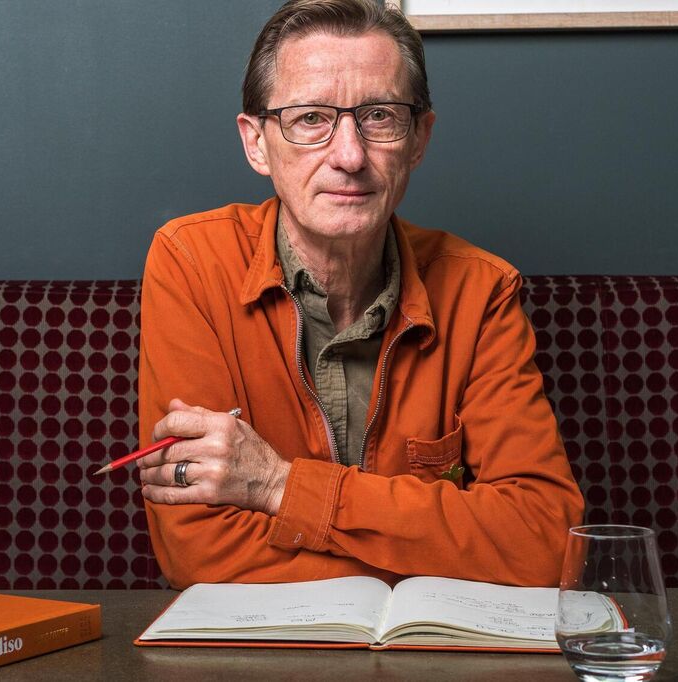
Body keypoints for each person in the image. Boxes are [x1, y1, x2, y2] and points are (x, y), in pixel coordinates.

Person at [136, 0, 583, 590]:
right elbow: (199, 551)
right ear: (256, 143)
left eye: (379, 117)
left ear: (419, 139)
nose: (349, 156)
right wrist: (440, 549)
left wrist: (278, 486)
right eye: (310, 118)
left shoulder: (481, 290)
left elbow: (545, 543)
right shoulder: (192, 263)